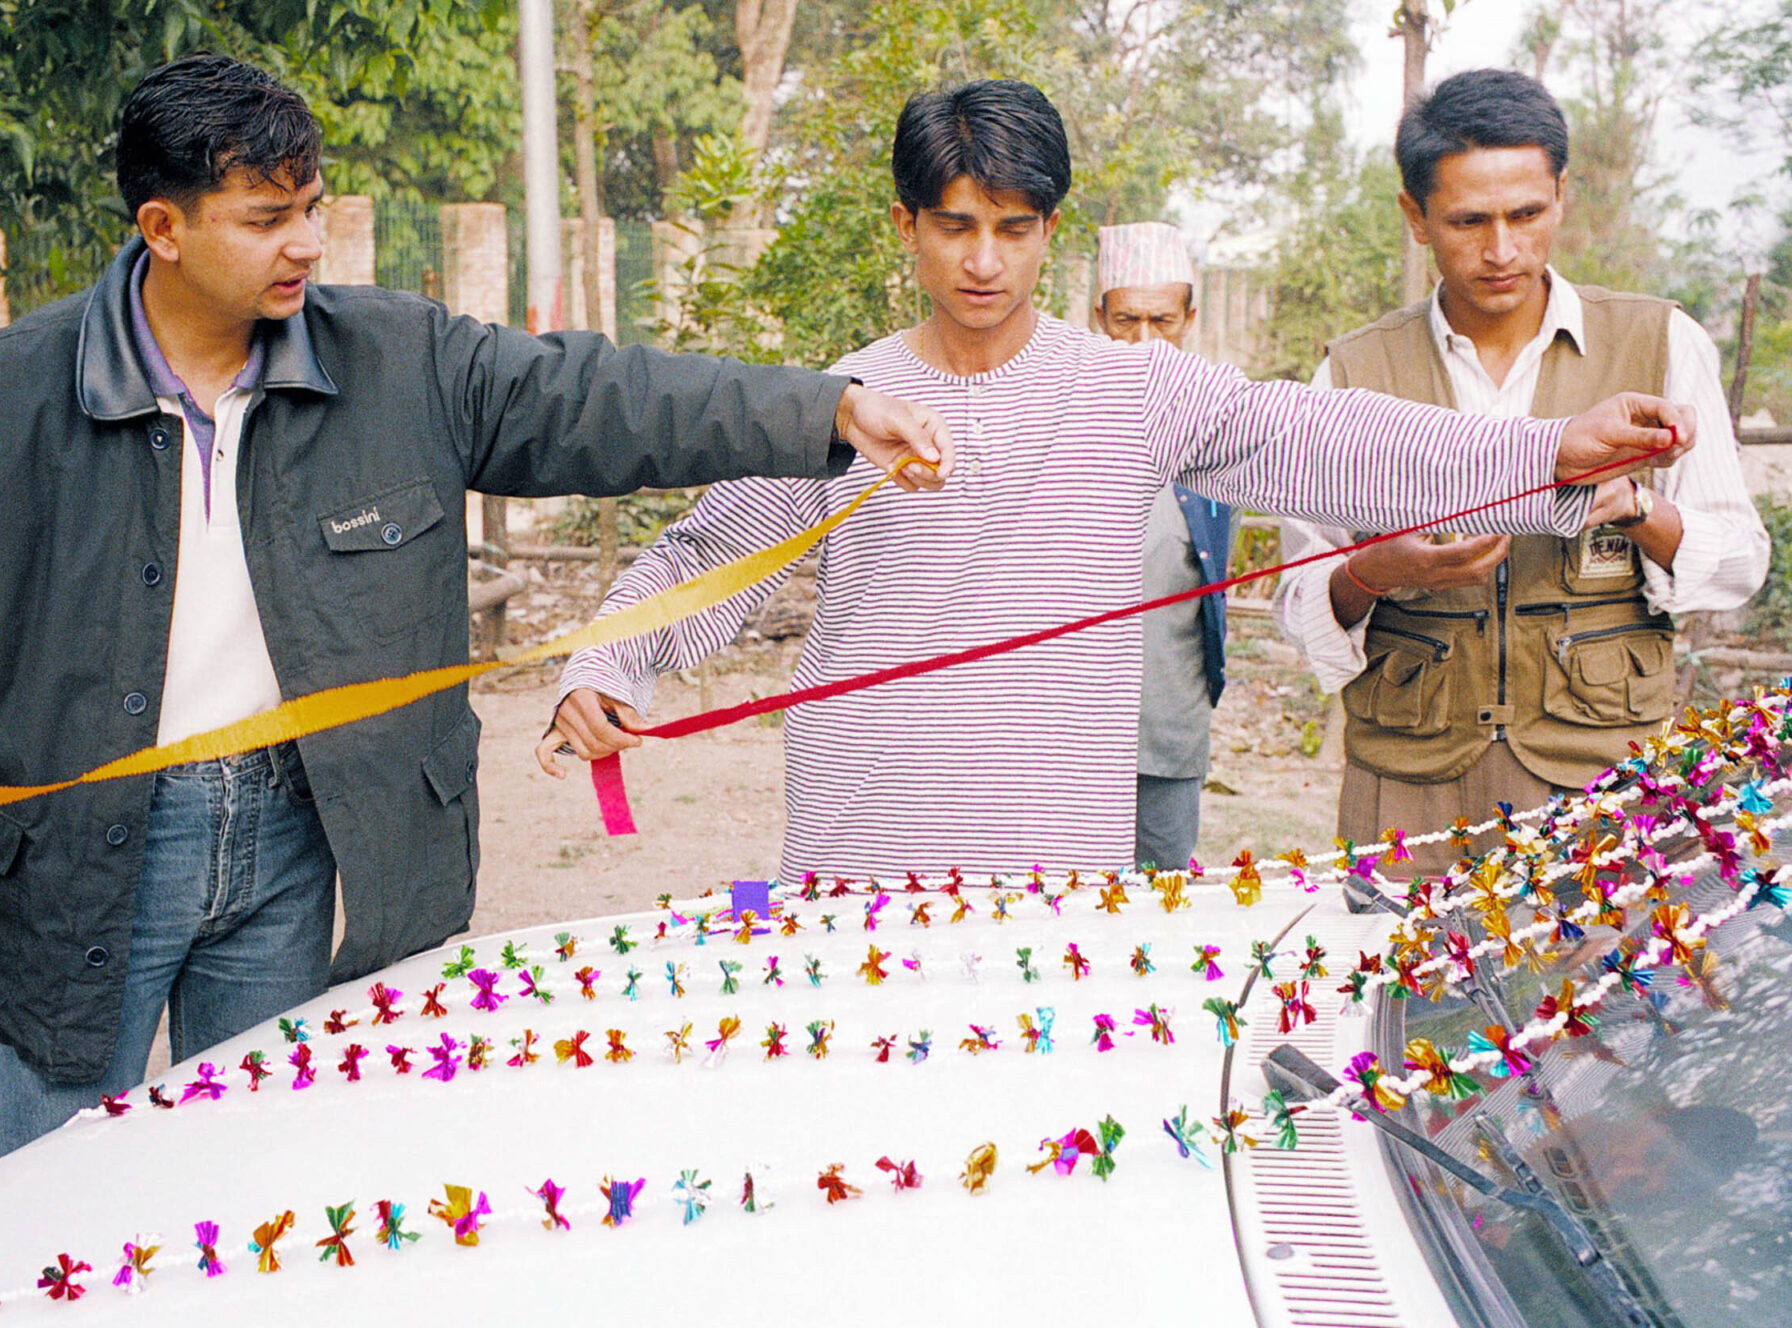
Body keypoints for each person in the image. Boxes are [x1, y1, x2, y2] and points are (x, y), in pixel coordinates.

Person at [0, 55, 952, 1164]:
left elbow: (599, 397)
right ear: (162, 227)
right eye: (265, 217)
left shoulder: (403, 363)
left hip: (299, 837)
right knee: (42, 1199)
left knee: (254, 1179)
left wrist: (828, 411)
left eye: (310, 206)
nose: (306, 242)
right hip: (81, 855)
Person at [540, 78, 1693, 884]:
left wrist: (1545, 450)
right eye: (953, 226)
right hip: (859, 844)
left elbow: (1327, 434)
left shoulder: (1134, 389)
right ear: (905, 225)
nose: (981, 260)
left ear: (1051, 231)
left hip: (1056, 855)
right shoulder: (841, 401)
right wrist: (606, 665)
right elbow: (708, 555)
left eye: (1012, 227)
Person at [1272, 68, 1769, 872]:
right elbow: (1298, 599)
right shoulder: (1353, 373)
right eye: (1469, 221)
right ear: (1415, 216)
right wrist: (1377, 570)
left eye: (1527, 214)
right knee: (1395, 960)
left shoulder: (1661, 343)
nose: (1502, 250)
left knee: (1604, 957)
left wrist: (1635, 505)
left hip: (1606, 789)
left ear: (1561, 197)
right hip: (1409, 791)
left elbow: (1741, 561)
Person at [1091, 221, 1234, 870]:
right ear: (1099, 318)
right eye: (1126, 321)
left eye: (1162, 321)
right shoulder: (1066, 425)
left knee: (1160, 901)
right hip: (1065, 736)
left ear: (1189, 320)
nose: (1144, 341)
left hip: (1169, 727)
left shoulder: (1217, 435)